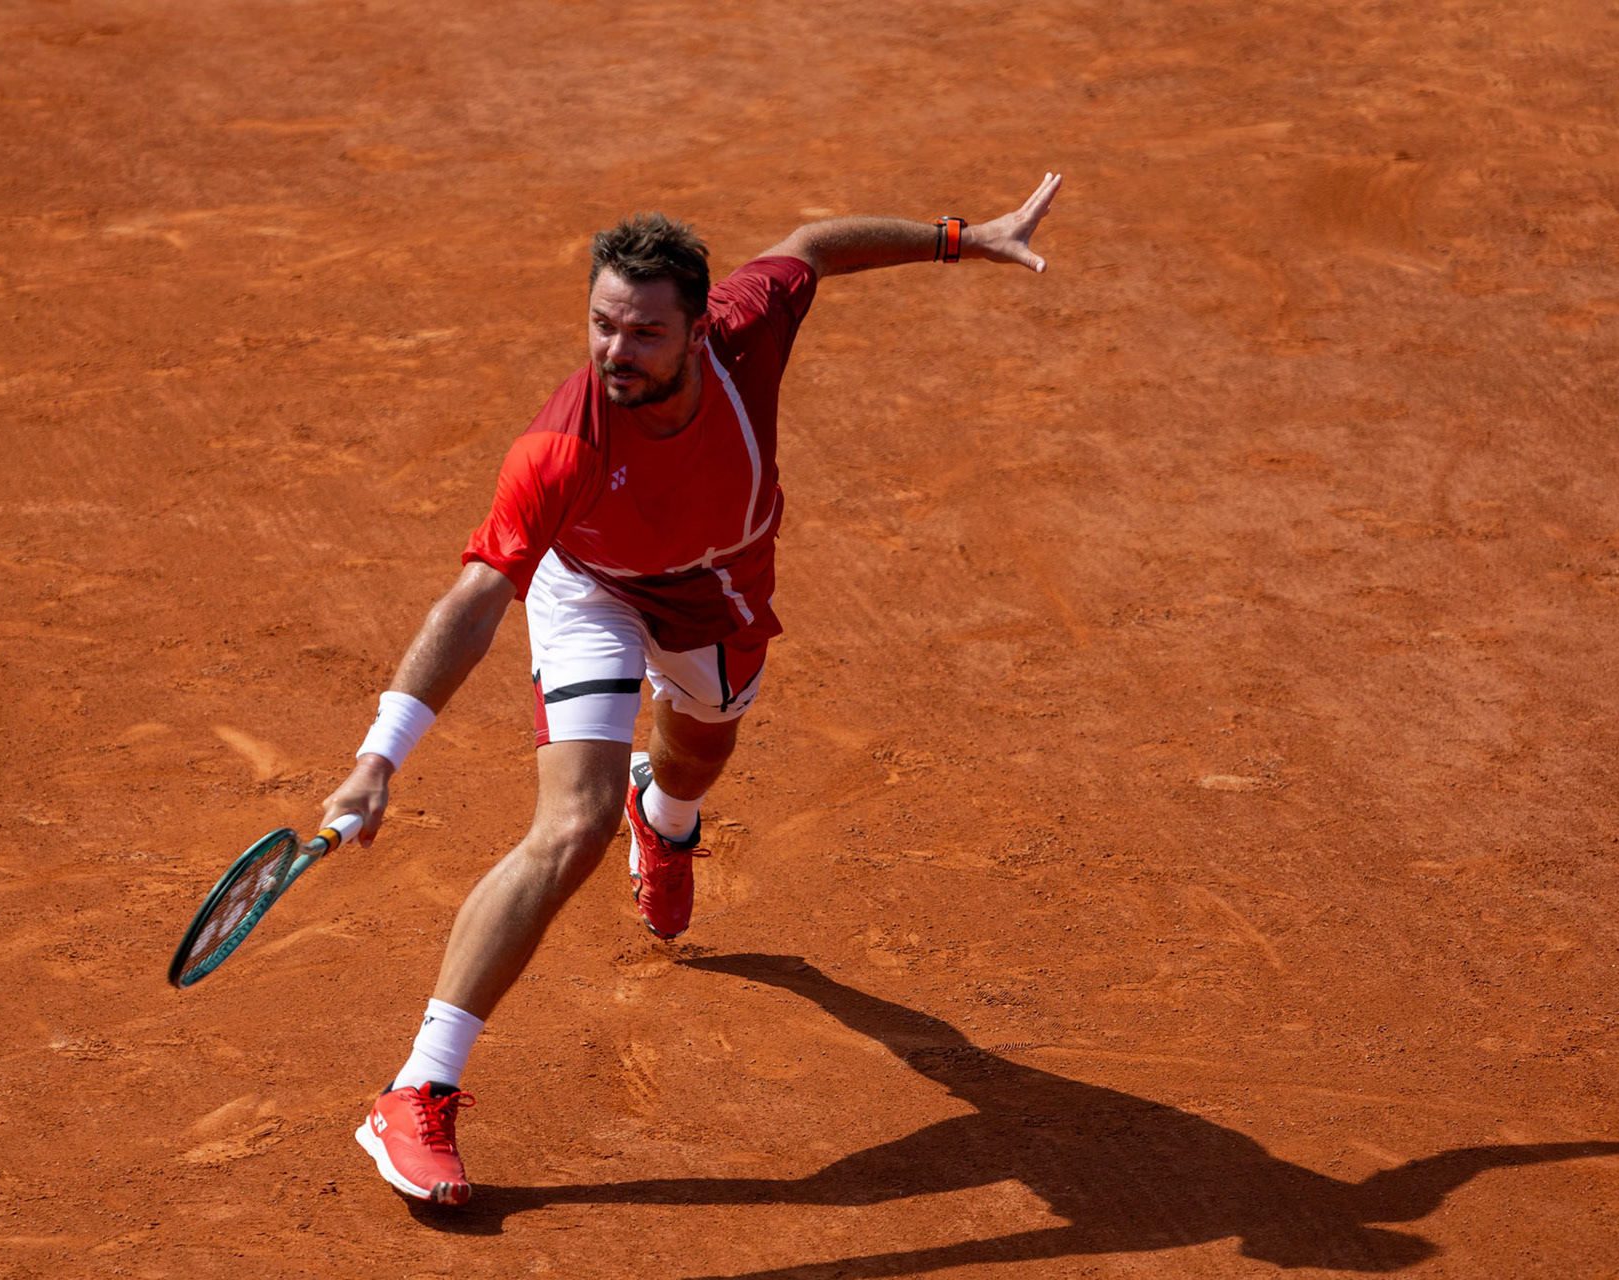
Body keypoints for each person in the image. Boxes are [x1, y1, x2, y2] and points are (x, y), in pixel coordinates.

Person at [321, 173, 1064, 1205]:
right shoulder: (561, 446)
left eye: (643, 334)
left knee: (698, 752)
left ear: (696, 327)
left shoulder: (748, 322)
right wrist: (377, 759)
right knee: (567, 827)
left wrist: (963, 238)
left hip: (722, 601)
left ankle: (664, 817)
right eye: (601, 326)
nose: (616, 353)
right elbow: (478, 597)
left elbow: (816, 242)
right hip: (593, 593)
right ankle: (416, 1087)